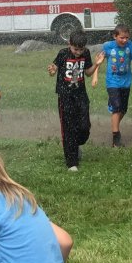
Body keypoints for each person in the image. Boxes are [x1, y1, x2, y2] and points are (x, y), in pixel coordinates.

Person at [47, 29, 99, 171]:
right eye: (75, 49)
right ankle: (72, 162)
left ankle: (75, 144)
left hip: (81, 95)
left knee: (84, 126)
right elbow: (54, 68)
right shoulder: (63, 53)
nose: (78, 52)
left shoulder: (86, 53)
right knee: (68, 128)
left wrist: (97, 64)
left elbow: (88, 73)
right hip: (65, 96)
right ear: (69, 43)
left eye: (80, 50)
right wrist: (52, 71)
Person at [91, 23, 132, 147]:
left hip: (126, 82)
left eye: (126, 37)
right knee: (117, 108)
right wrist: (95, 76)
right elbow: (98, 62)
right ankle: (116, 138)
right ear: (115, 36)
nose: (125, 40)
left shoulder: (130, 45)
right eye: (122, 38)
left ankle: (114, 123)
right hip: (112, 82)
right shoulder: (108, 46)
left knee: (123, 109)